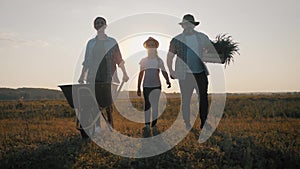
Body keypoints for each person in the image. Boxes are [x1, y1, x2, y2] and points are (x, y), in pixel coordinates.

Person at [167, 14, 220, 130]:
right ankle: (187, 123)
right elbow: (170, 56)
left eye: (190, 24)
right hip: (184, 74)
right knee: (186, 99)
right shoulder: (177, 40)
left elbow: (212, 49)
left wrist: (221, 51)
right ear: (183, 26)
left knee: (203, 98)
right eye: (186, 24)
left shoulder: (202, 37)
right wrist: (171, 71)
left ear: (193, 25)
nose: (188, 26)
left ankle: (204, 122)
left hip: (200, 72)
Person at [78, 16, 129, 129]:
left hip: (108, 73)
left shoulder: (112, 41)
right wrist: (82, 75)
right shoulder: (91, 43)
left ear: (105, 26)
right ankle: (97, 127)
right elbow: (87, 61)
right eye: (97, 23)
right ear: (94, 26)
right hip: (93, 74)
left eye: (102, 22)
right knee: (94, 100)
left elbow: (118, 58)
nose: (99, 24)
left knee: (107, 101)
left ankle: (110, 124)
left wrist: (124, 73)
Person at [137, 37, 171, 132]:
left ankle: (154, 124)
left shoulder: (159, 60)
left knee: (155, 105)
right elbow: (141, 74)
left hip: (156, 86)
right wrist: (138, 87)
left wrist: (167, 80)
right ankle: (147, 125)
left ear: (155, 47)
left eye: (153, 45)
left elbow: (164, 71)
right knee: (147, 105)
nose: (151, 47)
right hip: (146, 86)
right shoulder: (144, 60)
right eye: (149, 45)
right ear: (147, 48)